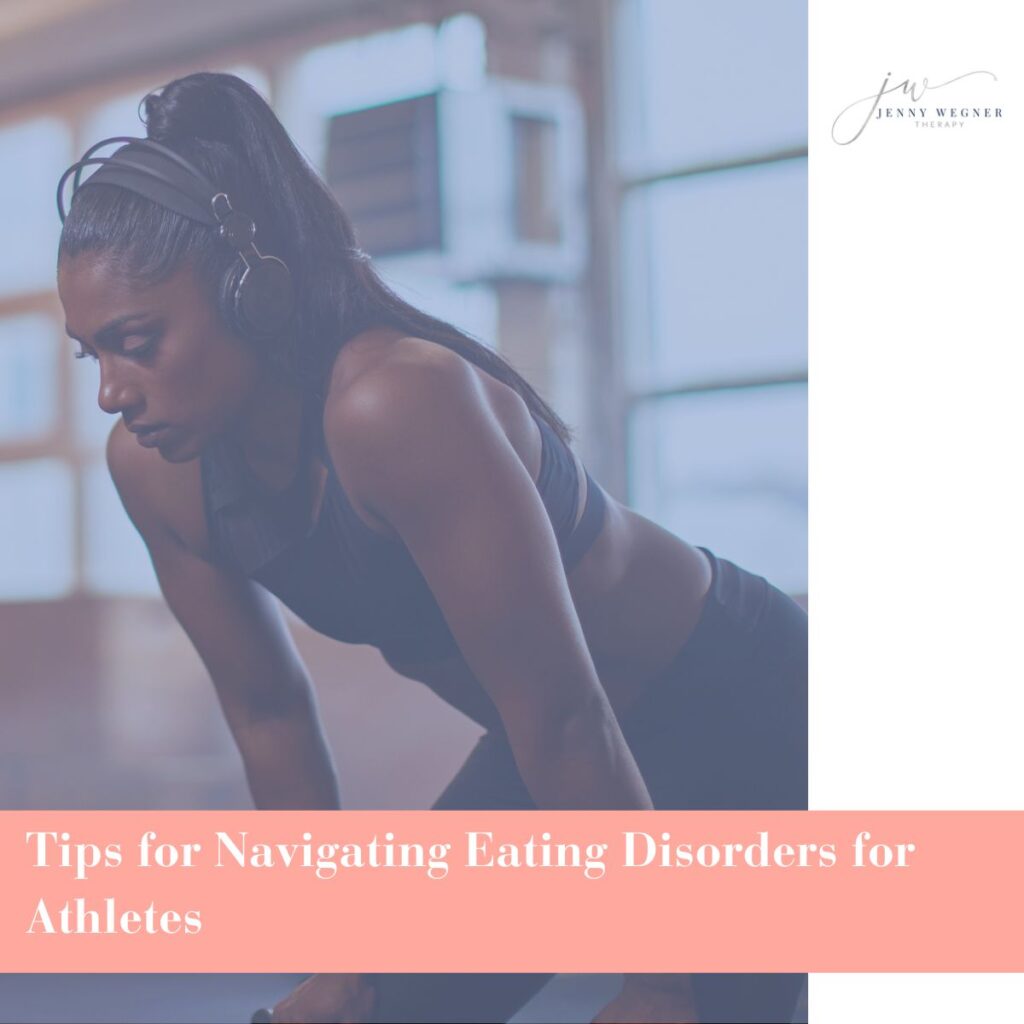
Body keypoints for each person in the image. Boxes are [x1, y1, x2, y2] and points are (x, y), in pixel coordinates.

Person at [56, 72, 807, 1024]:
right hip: (556, 755)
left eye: (137, 341)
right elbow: (269, 717)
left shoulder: (392, 401)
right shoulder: (157, 474)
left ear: (249, 293)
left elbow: (570, 714)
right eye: (94, 354)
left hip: (740, 708)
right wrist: (341, 961)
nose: (111, 392)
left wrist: (660, 978)